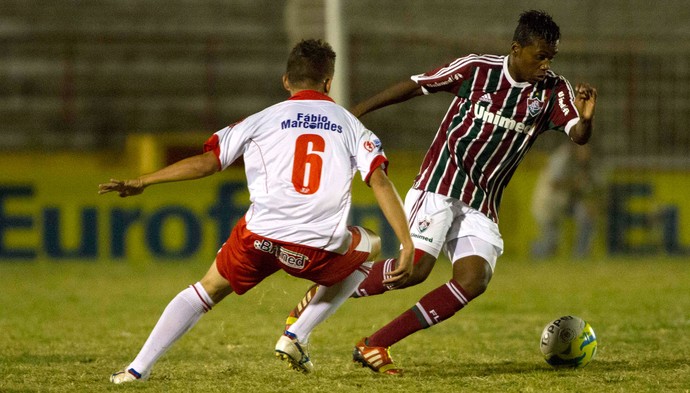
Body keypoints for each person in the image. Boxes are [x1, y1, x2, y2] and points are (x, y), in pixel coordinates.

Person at [283, 10, 598, 375]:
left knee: (474, 278)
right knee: (414, 270)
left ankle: (374, 343)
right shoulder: (477, 70)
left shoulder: (553, 90)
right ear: (516, 48)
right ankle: (331, 287)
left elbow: (576, 133)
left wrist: (586, 120)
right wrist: (356, 113)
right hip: (441, 183)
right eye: (540, 55)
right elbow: (416, 85)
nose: (546, 64)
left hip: (482, 201)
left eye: (551, 57)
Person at [100, 39, 414, 383]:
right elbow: (379, 182)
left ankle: (136, 370)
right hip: (316, 247)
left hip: (259, 238)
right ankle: (296, 335)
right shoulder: (352, 126)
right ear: (328, 82)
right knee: (370, 242)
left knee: (206, 290)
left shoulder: (261, 119)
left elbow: (208, 162)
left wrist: (144, 181)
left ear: (286, 81)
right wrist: (407, 243)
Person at [531, 142, 600, 259]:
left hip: (564, 203)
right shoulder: (562, 158)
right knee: (550, 243)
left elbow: (588, 188)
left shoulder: (582, 164)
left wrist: (590, 203)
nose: (586, 153)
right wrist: (575, 183)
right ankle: (533, 256)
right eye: (584, 149)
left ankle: (580, 257)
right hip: (548, 204)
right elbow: (554, 184)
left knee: (586, 216)